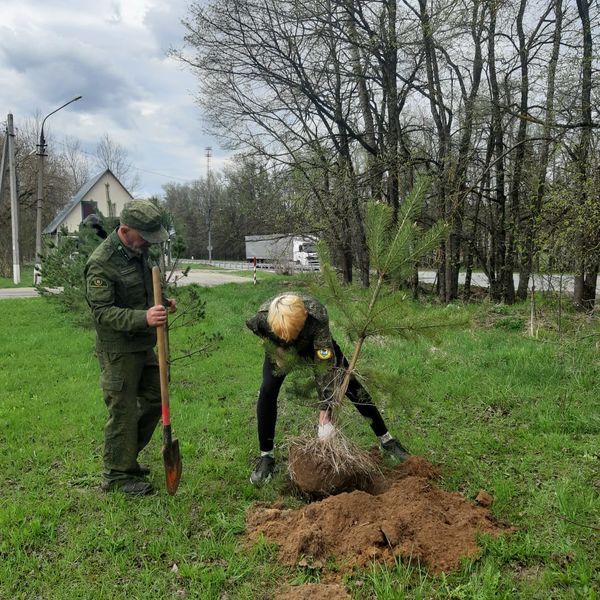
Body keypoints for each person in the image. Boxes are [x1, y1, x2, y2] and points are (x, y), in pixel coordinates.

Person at [246, 292, 410, 485]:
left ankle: (387, 440)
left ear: (305, 316)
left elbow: (325, 367)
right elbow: (255, 328)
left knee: (349, 383)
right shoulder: (263, 317)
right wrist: (277, 348)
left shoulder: (317, 316)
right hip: (283, 350)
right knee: (267, 390)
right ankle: (266, 456)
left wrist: (326, 408)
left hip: (315, 345)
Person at [85, 200, 176, 496]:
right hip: (119, 350)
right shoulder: (102, 262)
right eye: (145, 236)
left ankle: (125, 460)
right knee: (122, 411)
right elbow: (102, 313)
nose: (149, 243)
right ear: (125, 230)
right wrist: (145, 317)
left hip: (143, 345)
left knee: (154, 397)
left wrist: (161, 303)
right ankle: (116, 476)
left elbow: (145, 289)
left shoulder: (138, 252)